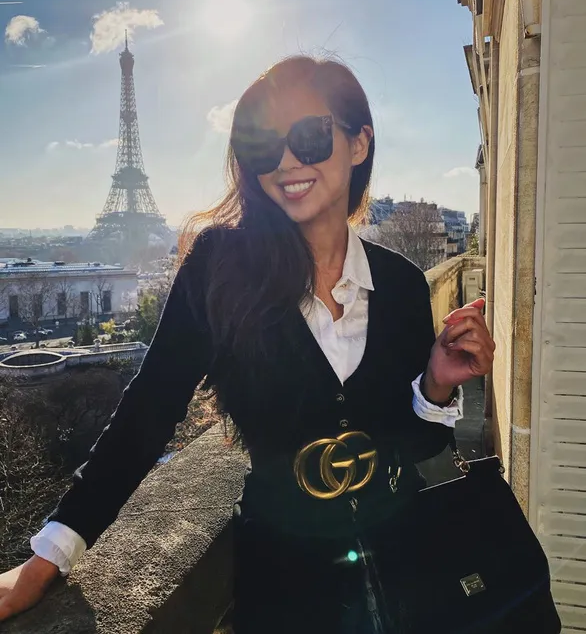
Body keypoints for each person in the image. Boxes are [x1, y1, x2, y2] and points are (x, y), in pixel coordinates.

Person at [0, 56, 495, 632]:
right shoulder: (220, 268)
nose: (285, 161)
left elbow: (419, 444)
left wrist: (436, 384)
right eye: (262, 147)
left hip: (406, 564)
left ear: (359, 142)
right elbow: (149, 410)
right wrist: (51, 553)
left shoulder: (402, 284)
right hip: (284, 583)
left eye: (309, 136)